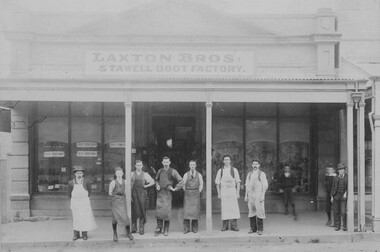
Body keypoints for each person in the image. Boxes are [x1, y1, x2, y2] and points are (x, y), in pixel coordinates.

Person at [154, 156, 184, 236]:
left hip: (167, 193)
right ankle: (159, 227)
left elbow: (181, 181)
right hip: (160, 193)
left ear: (169, 162)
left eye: (167, 162)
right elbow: (156, 180)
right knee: (159, 211)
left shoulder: (173, 171)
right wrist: (157, 185)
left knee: (167, 212)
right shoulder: (159, 171)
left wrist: (175, 188)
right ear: (162, 163)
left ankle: (166, 228)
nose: (166, 164)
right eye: (164, 162)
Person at [68, 166, 97, 241]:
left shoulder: (87, 181)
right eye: (77, 173)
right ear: (75, 174)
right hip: (75, 202)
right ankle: (76, 234)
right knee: (76, 218)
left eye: (80, 173)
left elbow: (89, 192)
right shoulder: (71, 183)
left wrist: (84, 199)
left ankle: (84, 234)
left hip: (84, 202)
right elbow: (69, 194)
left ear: (83, 173)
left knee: (84, 218)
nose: (79, 174)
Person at [215, 155, 241, 231]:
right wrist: (219, 193)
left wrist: (237, 193)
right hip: (224, 191)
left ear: (230, 161)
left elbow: (238, 182)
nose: (226, 161)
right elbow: (217, 183)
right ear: (223, 161)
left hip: (232, 191)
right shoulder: (220, 171)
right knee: (225, 208)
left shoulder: (234, 170)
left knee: (233, 208)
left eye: (228, 160)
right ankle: (225, 226)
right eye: (225, 160)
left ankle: (234, 226)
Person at [109, 167, 134, 242]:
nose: (119, 175)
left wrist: (129, 197)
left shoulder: (125, 182)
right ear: (115, 174)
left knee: (125, 217)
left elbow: (126, 191)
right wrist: (116, 196)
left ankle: (129, 233)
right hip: (115, 201)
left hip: (122, 200)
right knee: (115, 218)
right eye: (117, 173)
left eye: (120, 173)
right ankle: (115, 233)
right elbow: (110, 193)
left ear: (123, 173)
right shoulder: (113, 182)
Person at [131, 160, 155, 235]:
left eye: (140, 165)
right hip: (134, 193)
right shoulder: (131, 174)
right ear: (135, 166)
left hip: (142, 194)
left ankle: (141, 227)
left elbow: (153, 181)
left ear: (142, 166)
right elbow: (128, 184)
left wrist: (146, 186)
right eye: (137, 165)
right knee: (134, 210)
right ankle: (134, 227)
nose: (139, 167)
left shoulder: (145, 174)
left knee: (142, 210)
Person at [244, 160, 268, 235]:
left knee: (259, 211)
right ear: (251, 165)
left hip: (258, 194)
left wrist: (263, 195)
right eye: (253, 164)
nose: (255, 165)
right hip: (251, 194)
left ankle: (260, 229)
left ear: (259, 165)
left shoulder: (262, 174)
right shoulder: (249, 174)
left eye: (256, 164)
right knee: (251, 211)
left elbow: (265, 185)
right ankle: (252, 228)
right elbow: (247, 186)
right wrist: (246, 196)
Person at [183, 160, 203, 234]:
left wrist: (198, 191)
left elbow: (201, 184)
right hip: (188, 194)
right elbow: (183, 184)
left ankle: (195, 227)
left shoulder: (199, 175)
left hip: (195, 194)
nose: (192, 166)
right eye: (191, 164)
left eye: (193, 165)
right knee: (187, 212)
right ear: (189, 166)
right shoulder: (186, 174)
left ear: (196, 165)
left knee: (195, 212)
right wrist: (186, 191)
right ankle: (186, 228)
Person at [330, 163, 348, 231]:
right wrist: (332, 196)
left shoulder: (347, 177)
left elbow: (348, 187)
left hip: (343, 196)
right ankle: (338, 225)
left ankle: (345, 226)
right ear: (338, 171)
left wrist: (346, 193)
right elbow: (333, 187)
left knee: (343, 212)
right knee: (336, 212)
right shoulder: (335, 177)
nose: (341, 171)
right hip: (336, 196)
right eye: (340, 169)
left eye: (342, 169)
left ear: (344, 170)